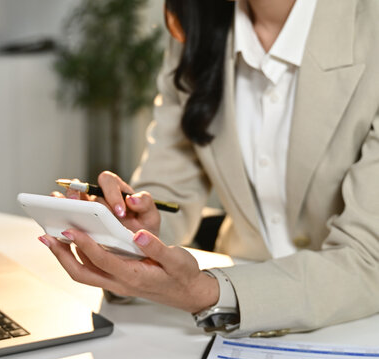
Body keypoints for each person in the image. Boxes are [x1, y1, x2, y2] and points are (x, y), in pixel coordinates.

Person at [39, 0, 379, 337]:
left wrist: (206, 293)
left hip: (356, 324)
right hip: (234, 325)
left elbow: (369, 258)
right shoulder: (195, 25)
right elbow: (168, 191)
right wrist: (130, 238)